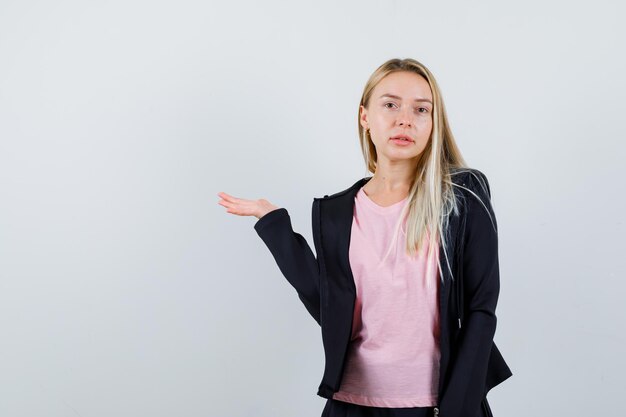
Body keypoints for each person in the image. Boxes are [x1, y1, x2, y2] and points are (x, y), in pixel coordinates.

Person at [217, 58, 512, 417]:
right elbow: (330, 307)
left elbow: (482, 311)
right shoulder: (337, 213)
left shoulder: (464, 195)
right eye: (390, 105)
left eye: (421, 109)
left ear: (434, 124)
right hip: (351, 405)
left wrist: (456, 410)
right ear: (365, 117)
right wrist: (275, 226)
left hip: (437, 406)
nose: (405, 119)